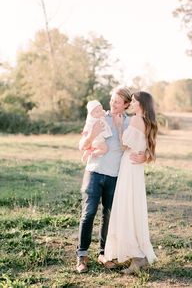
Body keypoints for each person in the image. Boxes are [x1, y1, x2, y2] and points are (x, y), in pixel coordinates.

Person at [76, 86, 146, 273]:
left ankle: (104, 255)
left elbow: (143, 144)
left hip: (116, 177)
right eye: (111, 100)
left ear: (126, 104)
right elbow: (81, 145)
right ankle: (82, 256)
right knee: (89, 213)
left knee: (109, 217)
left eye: (117, 102)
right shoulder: (98, 116)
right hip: (94, 172)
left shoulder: (131, 122)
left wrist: (145, 157)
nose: (112, 104)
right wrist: (92, 134)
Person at [104, 91, 158, 275]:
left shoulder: (136, 120)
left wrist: (119, 127)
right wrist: (145, 156)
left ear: (141, 104)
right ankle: (138, 255)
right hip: (136, 169)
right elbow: (150, 149)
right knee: (133, 207)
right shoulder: (148, 122)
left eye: (134, 101)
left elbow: (124, 145)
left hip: (129, 165)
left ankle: (137, 257)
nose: (132, 103)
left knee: (128, 207)